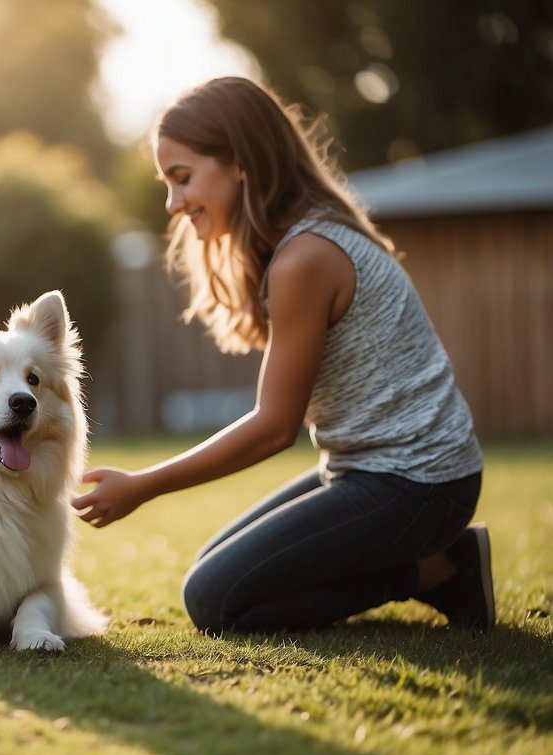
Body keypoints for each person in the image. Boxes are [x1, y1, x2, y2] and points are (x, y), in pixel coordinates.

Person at [71, 77, 493, 634]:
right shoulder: (294, 244)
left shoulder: (306, 257)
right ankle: (443, 558)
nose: (173, 204)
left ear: (240, 162)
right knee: (212, 571)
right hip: (364, 470)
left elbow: (274, 428)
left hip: (421, 483)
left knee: (214, 600)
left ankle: (440, 570)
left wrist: (144, 484)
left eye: (182, 178)